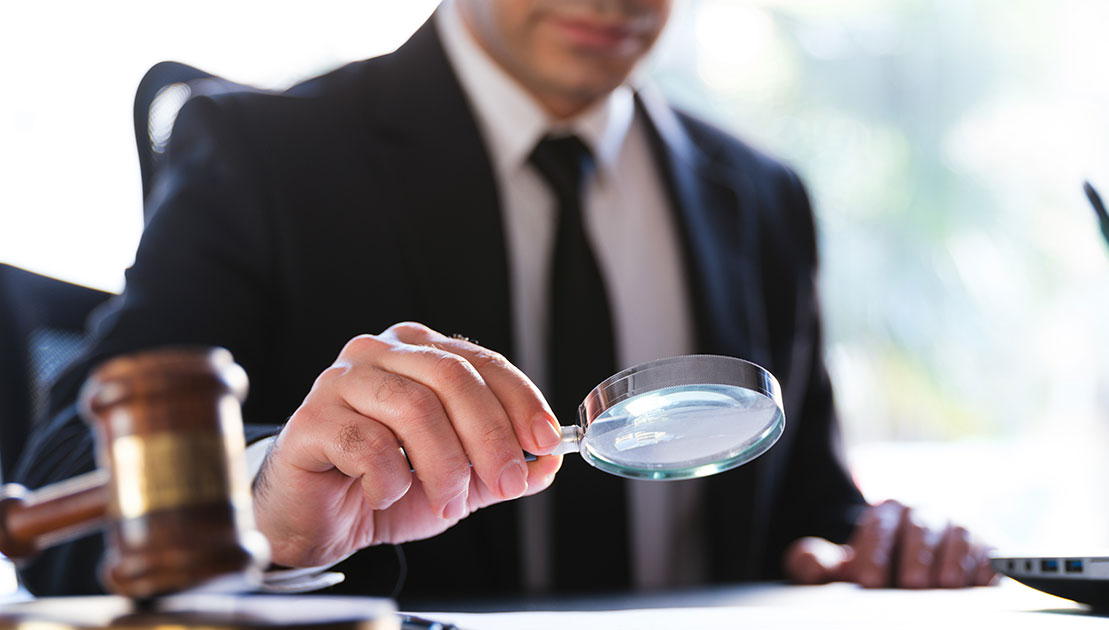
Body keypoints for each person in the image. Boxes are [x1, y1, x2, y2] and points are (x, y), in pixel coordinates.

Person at [15, 0, 994, 598]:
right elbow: (64, 485)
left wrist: (863, 545)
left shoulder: (764, 196)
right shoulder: (260, 154)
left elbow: (801, 504)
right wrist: (269, 506)